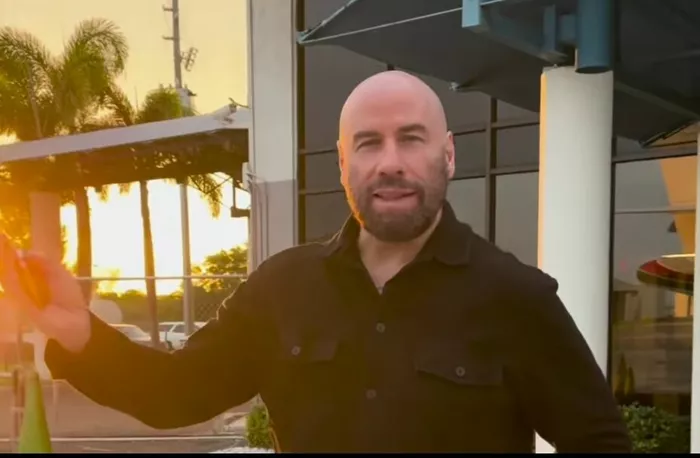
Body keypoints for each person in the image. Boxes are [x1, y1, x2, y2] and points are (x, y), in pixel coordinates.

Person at [0, 70, 631, 453]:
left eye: (411, 139)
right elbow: (175, 394)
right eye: (369, 143)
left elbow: (598, 443)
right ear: (343, 164)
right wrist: (78, 332)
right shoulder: (282, 288)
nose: (390, 162)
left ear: (447, 155)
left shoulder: (516, 298)